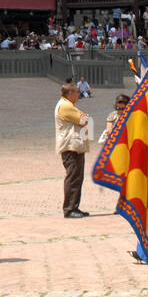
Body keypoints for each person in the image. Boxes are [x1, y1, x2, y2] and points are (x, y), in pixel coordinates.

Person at [55, 83, 91, 218]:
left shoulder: (68, 105)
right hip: (71, 146)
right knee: (73, 177)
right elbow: (84, 119)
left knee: (77, 177)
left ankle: (74, 206)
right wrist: (84, 116)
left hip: (75, 145)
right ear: (70, 93)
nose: (79, 94)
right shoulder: (65, 106)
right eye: (76, 91)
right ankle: (69, 209)